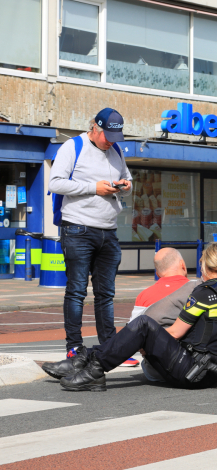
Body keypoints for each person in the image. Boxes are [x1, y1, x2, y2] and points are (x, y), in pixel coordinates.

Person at [41, 242, 217, 391]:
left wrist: (145, 339)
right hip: (211, 374)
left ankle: (93, 369)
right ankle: (88, 361)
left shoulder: (202, 292)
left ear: (204, 266)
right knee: (143, 330)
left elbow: (175, 332)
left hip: (192, 372)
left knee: (143, 324)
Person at [49, 108, 132, 369]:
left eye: (115, 136)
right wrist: (93, 187)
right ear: (94, 128)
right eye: (107, 135)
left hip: (109, 230)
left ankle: (110, 348)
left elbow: (128, 179)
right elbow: (56, 183)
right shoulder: (72, 147)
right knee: (76, 292)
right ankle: (74, 348)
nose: (110, 141)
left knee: (106, 295)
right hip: (78, 229)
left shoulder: (116, 150)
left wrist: (127, 186)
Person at [120, 247, 196, 368]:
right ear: (183, 265)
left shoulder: (144, 295)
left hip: (159, 367)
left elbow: (133, 334)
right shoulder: (198, 290)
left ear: (157, 272)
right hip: (198, 361)